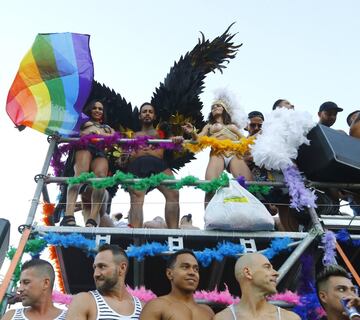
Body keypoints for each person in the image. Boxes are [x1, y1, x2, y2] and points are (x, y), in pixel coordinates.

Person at [183, 96, 252, 207]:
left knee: (248, 185)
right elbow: (198, 139)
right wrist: (192, 133)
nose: (215, 108)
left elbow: (245, 141)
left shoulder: (233, 126)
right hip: (217, 154)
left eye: (218, 105)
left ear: (224, 109)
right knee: (210, 186)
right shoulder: (209, 126)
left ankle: (249, 216)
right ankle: (208, 218)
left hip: (234, 154)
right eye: (213, 107)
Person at [126, 102, 183, 228]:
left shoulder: (161, 133)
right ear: (140, 116)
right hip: (137, 166)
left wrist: (176, 140)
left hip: (159, 165)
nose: (147, 114)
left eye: (150, 111)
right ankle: (136, 239)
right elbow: (130, 156)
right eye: (144, 111)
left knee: (174, 192)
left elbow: (171, 148)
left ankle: (173, 234)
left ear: (155, 116)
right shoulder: (134, 136)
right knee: (136, 198)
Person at [60, 100, 115, 227]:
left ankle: (92, 219)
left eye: (100, 109)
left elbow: (113, 140)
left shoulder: (107, 127)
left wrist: (103, 136)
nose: (97, 110)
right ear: (90, 109)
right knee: (80, 175)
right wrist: (86, 133)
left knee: (101, 178)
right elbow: (72, 131)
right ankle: (68, 215)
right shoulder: (83, 122)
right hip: (85, 147)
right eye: (94, 108)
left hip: (100, 152)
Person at [66, 243, 142, 319]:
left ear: (122, 268)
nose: (96, 274)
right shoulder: (84, 301)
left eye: (102, 266)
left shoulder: (142, 308)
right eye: (95, 268)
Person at [214, 253, 300, 320]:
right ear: (248, 273)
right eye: (267, 267)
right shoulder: (223, 318)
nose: (276, 273)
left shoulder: (289, 318)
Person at [139, 249, 214, 320]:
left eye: (196, 269)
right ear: (169, 274)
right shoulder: (157, 305)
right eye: (185, 267)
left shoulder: (207, 311)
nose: (192, 272)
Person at [1, 259, 67, 320]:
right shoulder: (10, 316)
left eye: (26, 282)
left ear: (45, 283)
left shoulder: (70, 317)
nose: (19, 289)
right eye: (20, 283)